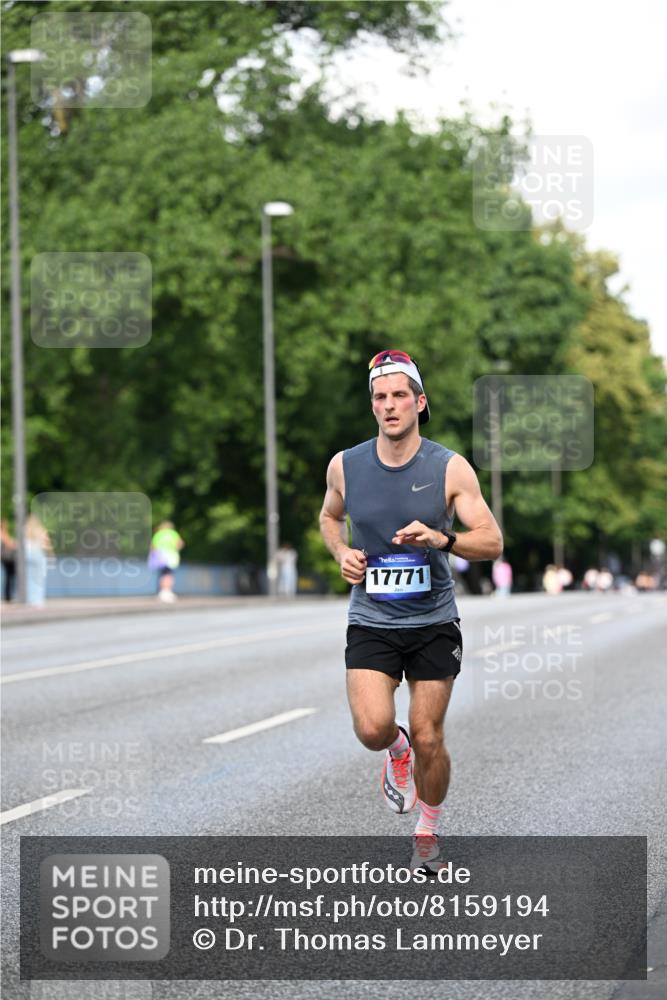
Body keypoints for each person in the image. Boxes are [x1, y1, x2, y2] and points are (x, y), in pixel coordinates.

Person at [319, 349, 502, 873]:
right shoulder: (346, 465)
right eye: (380, 397)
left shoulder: (449, 467)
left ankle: (428, 830)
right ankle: (395, 750)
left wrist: (443, 539)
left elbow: (491, 541)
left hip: (433, 621)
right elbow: (329, 517)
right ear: (372, 405)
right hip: (372, 618)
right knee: (372, 728)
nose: (389, 405)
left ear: (419, 403)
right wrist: (341, 552)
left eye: (400, 395)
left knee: (429, 734)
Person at [148, 521, 184, 602]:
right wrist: (175, 549)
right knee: (168, 574)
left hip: (160, 556)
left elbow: (152, 546)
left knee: (162, 574)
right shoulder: (173, 533)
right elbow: (180, 544)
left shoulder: (158, 534)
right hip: (170, 556)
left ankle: (162, 592)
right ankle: (167, 591)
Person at [24, 514, 54, 606]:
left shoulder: (25, 530)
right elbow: (47, 544)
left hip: (27, 555)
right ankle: (37, 600)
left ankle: (29, 599)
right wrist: (51, 555)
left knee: (28, 578)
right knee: (38, 579)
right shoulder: (41, 530)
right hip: (38, 555)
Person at [1, 519, 17, 601]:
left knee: (10, 577)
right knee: (9, 577)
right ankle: (8, 596)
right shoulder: (2, 533)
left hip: (8, 558)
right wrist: (14, 543)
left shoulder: (5, 533)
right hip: (7, 559)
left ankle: (9, 596)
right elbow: (9, 543)